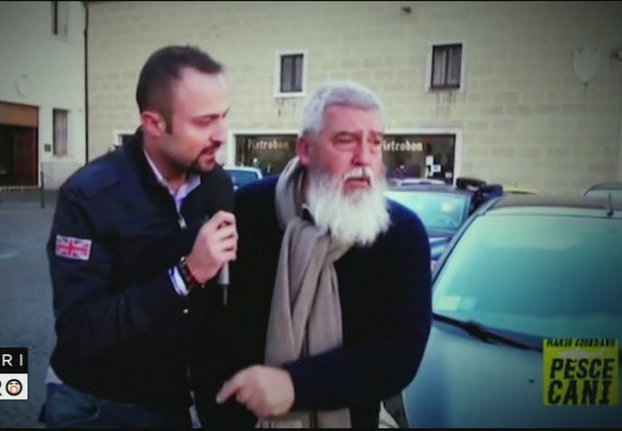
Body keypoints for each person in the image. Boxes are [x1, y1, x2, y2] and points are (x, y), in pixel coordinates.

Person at [194, 81, 432, 428]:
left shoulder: (401, 234)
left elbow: (399, 355)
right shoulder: (246, 212)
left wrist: (296, 386)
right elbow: (207, 330)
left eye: (375, 142)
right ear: (305, 149)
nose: (364, 158)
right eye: (346, 141)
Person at [42, 45, 235, 428]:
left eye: (224, 117)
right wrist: (185, 275)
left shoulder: (215, 185)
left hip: (171, 401)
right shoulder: (90, 195)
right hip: (95, 405)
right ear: (153, 123)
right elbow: (80, 329)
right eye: (204, 122)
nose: (221, 136)